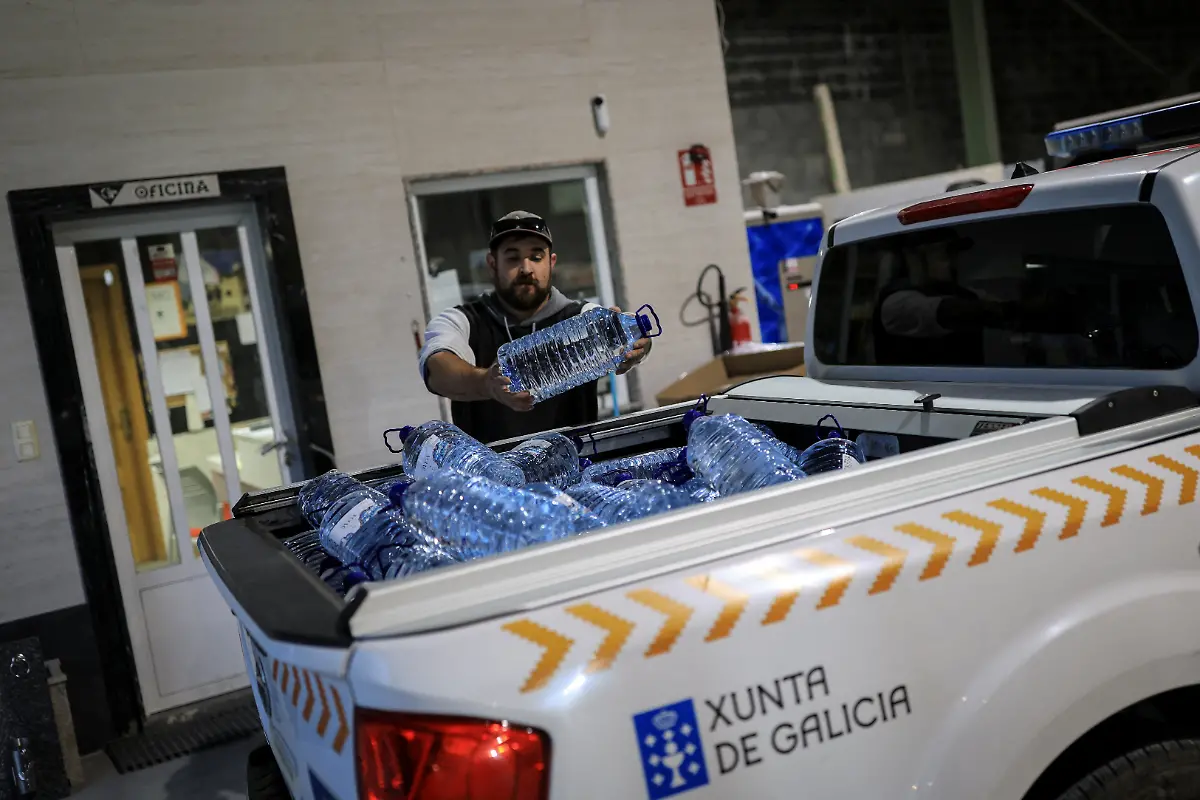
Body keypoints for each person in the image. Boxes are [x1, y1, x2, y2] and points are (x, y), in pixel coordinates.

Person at [418, 211, 652, 442]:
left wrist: (638, 347)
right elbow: (436, 368)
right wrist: (486, 384)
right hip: (488, 474)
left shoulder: (580, 317)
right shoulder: (462, 320)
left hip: (572, 469)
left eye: (536, 257)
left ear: (551, 262)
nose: (526, 268)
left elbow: (631, 337)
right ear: (492, 264)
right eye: (512, 257)